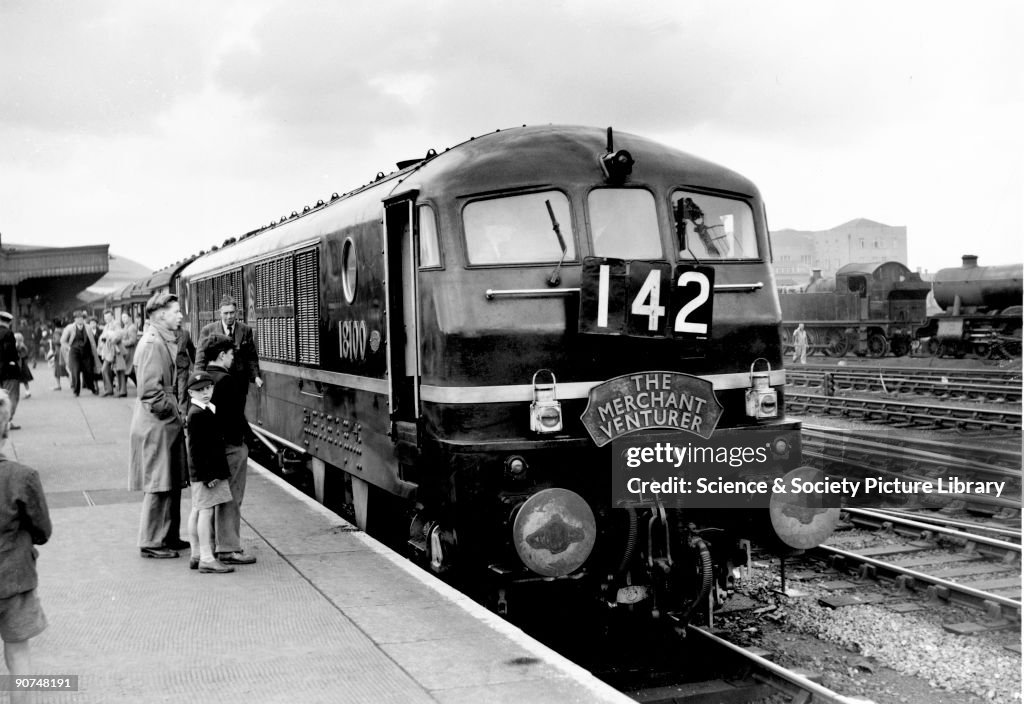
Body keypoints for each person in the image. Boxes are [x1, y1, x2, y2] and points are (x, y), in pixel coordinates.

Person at [0, 389, 52, 704]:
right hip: (14, 579)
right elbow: (43, 530)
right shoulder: (23, 477)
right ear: (5, 429)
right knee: (19, 656)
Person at [129, 293, 188, 559]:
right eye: (176, 311)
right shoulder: (153, 343)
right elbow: (150, 392)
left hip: (163, 423)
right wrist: (173, 411)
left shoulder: (160, 340)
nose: (180, 315)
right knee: (158, 482)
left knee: (171, 480)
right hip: (158, 424)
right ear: (161, 314)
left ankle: (169, 536)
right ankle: (151, 541)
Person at [202, 335, 256, 566]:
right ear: (222, 355)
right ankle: (229, 547)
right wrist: (247, 440)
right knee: (232, 496)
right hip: (232, 446)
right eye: (232, 354)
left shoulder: (204, 378)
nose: (234, 358)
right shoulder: (227, 381)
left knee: (217, 497)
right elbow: (235, 418)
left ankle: (215, 544)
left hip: (214, 445)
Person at [183, 371, 234, 574]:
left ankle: (196, 554)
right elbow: (196, 450)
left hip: (207, 472)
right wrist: (208, 476)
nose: (205, 392)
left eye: (208, 388)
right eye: (199, 390)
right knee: (206, 511)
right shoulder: (197, 414)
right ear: (190, 393)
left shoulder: (205, 409)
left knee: (197, 509)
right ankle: (206, 557)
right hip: (207, 474)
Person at [195, 295, 263, 405]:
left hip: (239, 384)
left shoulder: (246, 330)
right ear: (220, 313)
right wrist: (199, 381)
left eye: (232, 313)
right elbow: (200, 359)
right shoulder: (208, 330)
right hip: (216, 383)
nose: (229, 316)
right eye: (226, 313)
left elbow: (251, 356)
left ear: (236, 312)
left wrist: (255, 376)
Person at [60, 311, 100, 397]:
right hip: (74, 352)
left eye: (82, 318)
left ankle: (92, 387)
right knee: (76, 370)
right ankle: (76, 391)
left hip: (86, 352)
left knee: (89, 371)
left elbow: (92, 341)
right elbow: (62, 341)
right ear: (74, 319)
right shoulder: (69, 328)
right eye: (78, 318)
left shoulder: (88, 327)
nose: (80, 320)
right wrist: (69, 347)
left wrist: (94, 351)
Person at [0, 313, 21, 430]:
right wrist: (14, 360)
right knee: (12, 396)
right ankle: (7, 421)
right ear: (9, 322)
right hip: (8, 370)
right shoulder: (8, 333)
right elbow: (10, 351)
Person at [99, 310, 126, 397]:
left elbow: (119, 335)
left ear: (112, 316)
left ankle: (122, 391)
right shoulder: (106, 326)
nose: (106, 318)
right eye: (105, 317)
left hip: (117, 349)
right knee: (104, 369)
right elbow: (102, 337)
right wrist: (104, 339)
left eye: (108, 316)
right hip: (109, 351)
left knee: (119, 370)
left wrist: (110, 338)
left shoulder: (116, 323)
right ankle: (109, 389)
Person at [121, 312, 138, 393]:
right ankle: (123, 391)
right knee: (127, 372)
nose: (123, 319)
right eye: (122, 317)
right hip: (126, 353)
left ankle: (123, 391)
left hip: (131, 353)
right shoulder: (125, 327)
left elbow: (132, 341)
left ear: (130, 317)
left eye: (125, 317)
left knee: (130, 372)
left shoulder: (132, 327)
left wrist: (122, 343)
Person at [14, 333, 32, 399]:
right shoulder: (18, 346)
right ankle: (25, 392)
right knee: (20, 380)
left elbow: (23, 355)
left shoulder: (21, 347)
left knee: (24, 380)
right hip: (20, 365)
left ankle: (27, 392)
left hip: (22, 365)